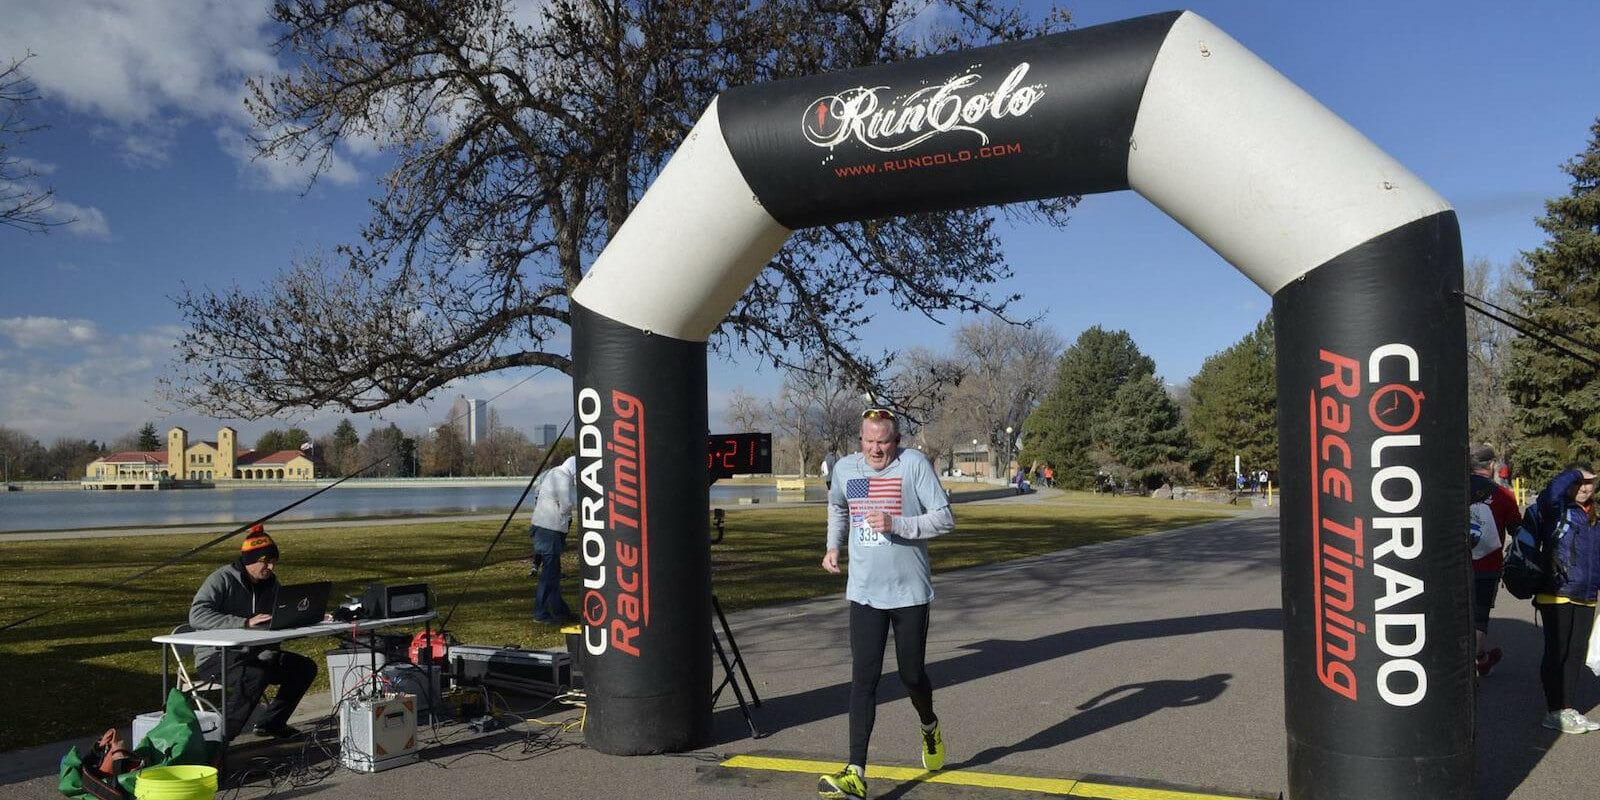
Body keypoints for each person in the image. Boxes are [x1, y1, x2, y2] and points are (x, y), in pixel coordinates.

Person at [817, 408, 953, 800]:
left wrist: (897, 524)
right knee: (864, 680)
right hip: (864, 591)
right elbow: (838, 507)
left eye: (884, 442)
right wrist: (833, 546)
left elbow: (945, 518)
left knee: (912, 676)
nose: (876, 449)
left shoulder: (913, 466)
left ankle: (929, 725)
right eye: (869, 440)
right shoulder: (846, 469)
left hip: (909, 591)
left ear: (897, 441)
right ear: (860, 438)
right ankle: (856, 771)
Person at [188, 525, 318, 741]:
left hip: (257, 653)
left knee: (304, 668)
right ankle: (221, 739)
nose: (271, 566)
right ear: (250, 560)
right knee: (255, 674)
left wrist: (306, 617)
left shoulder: (272, 583)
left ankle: (271, 723)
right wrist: (244, 622)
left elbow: (280, 614)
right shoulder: (222, 579)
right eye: (265, 561)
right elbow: (197, 615)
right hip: (215, 657)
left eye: (273, 561)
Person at [1529, 462, 1599, 734]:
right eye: (1579, 483)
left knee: (1575, 654)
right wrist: (1576, 473)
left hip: (1586, 595)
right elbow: (1551, 492)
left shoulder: (1593, 515)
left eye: (1589, 483)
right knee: (1557, 652)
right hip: (1556, 592)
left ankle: (1567, 708)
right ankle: (1554, 710)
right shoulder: (1556, 509)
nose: (1584, 488)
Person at [1467, 444, 1519, 677]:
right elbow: (1517, 529)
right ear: (1491, 466)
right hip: (1488, 566)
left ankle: (1467, 661)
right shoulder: (1503, 495)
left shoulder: (1452, 491)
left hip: (1454, 567)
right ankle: (1477, 662)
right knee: (1479, 616)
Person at [529, 456, 579, 624]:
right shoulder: (563, 477)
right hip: (550, 530)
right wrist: (568, 517)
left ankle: (560, 611)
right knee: (549, 574)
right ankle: (540, 613)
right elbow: (565, 504)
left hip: (543, 528)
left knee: (553, 574)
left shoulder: (553, 473)